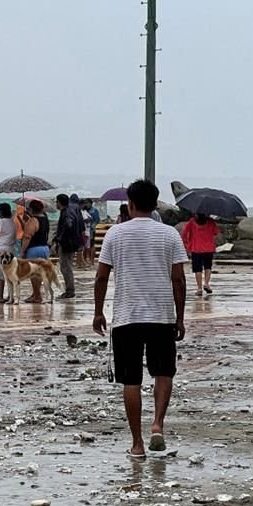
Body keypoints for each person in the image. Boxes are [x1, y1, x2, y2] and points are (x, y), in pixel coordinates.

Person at [93, 179, 188, 460]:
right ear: (155, 204)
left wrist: (98, 311)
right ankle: (157, 424)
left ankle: (137, 443)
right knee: (163, 372)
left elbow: (101, 276)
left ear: (130, 204)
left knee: (130, 380)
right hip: (161, 314)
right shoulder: (169, 235)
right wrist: (179, 317)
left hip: (127, 317)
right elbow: (179, 279)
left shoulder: (115, 234)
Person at [182, 213, 221, 297]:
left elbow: (184, 233)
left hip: (196, 248)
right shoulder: (211, 222)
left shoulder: (192, 221)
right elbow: (216, 233)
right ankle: (206, 284)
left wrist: (186, 243)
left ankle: (199, 288)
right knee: (208, 267)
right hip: (209, 248)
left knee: (197, 269)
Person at [20, 199, 50, 303]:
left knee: (33, 273)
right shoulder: (45, 219)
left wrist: (23, 251)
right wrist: (24, 222)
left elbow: (27, 236)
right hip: (44, 248)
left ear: (31, 209)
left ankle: (37, 296)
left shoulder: (33, 220)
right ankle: (35, 294)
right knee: (40, 273)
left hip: (34, 249)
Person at [53, 194, 82, 299]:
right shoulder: (69, 211)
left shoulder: (66, 213)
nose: (55, 204)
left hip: (67, 244)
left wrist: (60, 238)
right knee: (65, 267)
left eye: (56, 202)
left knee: (66, 267)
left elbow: (68, 225)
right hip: (70, 243)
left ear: (60, 203)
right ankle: (69, 289)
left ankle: (70, 290)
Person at [84, 198, 101, 265]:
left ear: (91, 204)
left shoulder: (94, 211)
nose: (86, 204)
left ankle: (92, 260)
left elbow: (97, 220)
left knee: (92, 245)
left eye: (88, 203)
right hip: (84, 230)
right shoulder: (83, 210)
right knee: (85, 246)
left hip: (91, 230)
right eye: (85, 203)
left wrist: (92, 226)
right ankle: (85, 259)